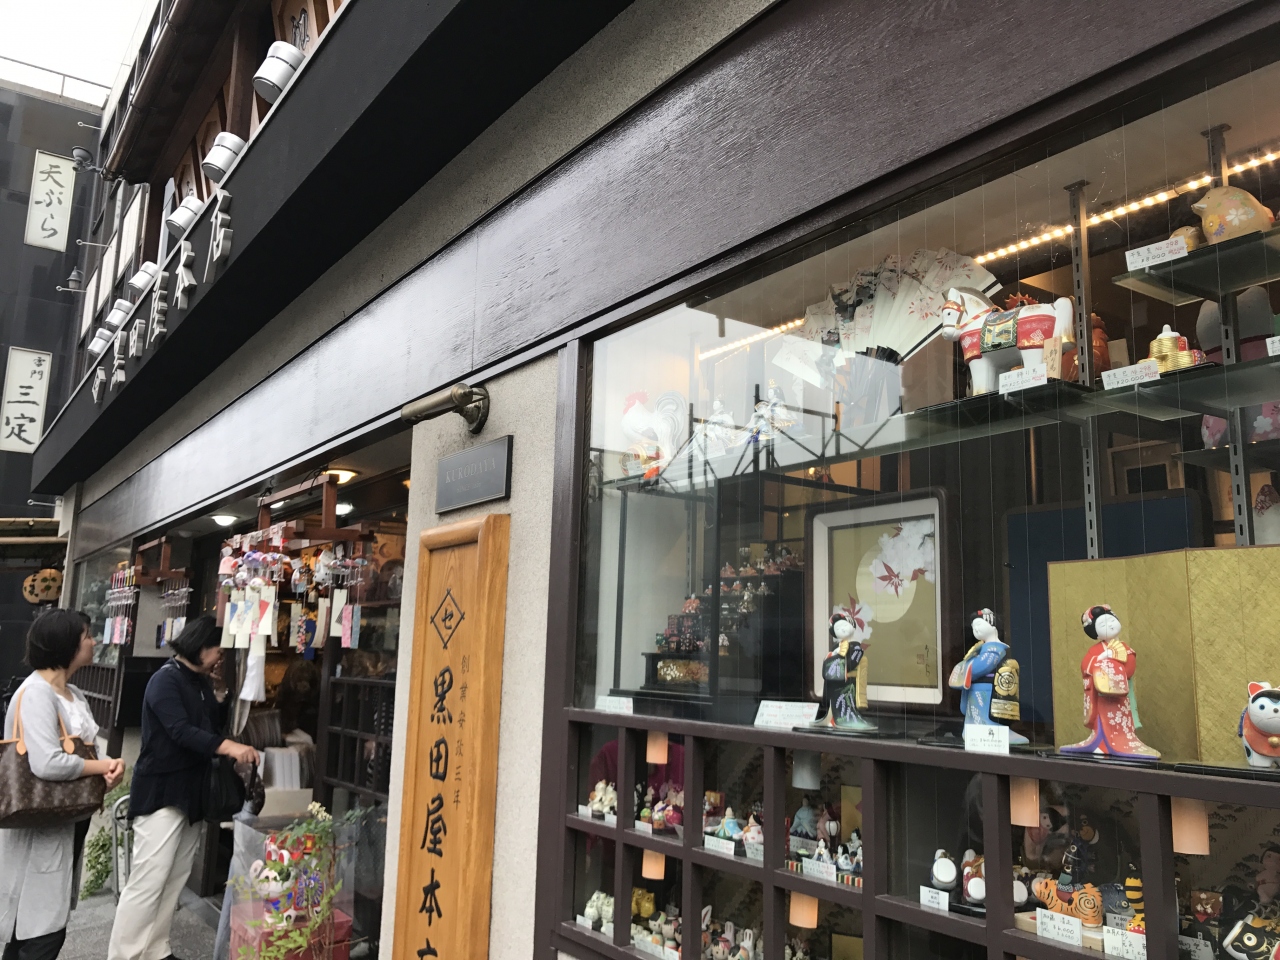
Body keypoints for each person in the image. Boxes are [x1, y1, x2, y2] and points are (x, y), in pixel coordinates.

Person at [107, 616, 259, 960]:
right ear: (200, 646)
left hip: (192, 791)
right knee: (148, 879)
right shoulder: (165, 680)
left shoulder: (200, 681)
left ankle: (156, 948)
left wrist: (220, 695)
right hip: (162, 791)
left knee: (174, 876)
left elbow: (209, 727)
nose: (220, 658)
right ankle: (125, 954)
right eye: (217, 650)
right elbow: (180, 731)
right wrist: (230, 747)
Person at [0, 609, 126, 960]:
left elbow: (85, 753)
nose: (94, 642)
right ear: (66, 644)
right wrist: (103, 765)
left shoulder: (74, 694)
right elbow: (47, 762)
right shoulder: (36, 693)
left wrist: (106, 773)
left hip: (67, 817)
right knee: (40, 934)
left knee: (37, 929)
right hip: (38, 818)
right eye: (87, 636)